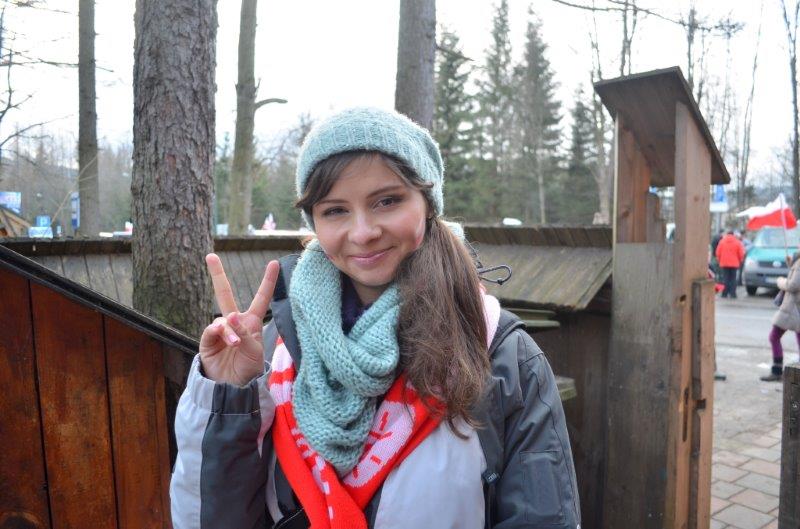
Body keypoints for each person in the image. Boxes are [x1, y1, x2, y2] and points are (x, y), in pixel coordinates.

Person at [169, 107, 581, 529]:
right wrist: (228, 395)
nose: (363, 232)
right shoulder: (279, 352)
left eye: (387, 201)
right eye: (335, 210)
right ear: (314, 222)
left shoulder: (504, 358)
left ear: (428, 203)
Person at [762, 253, 800, 381]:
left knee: (774, 337)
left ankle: (777, 371)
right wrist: (792, 264)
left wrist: (781, 282)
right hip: (795, 308)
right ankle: (779, 371)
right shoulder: (798, 261)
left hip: (792, 307)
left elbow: (793, 285)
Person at [716, 229, 746, 298]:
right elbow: (741, 254)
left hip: (724, 263)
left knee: (725, 278)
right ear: (733, 235)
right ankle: (733, 294)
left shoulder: (722, 241)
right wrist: (740, 260)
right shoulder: (737, 242)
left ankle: (724, 293)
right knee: (733, 279)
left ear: (727, 234)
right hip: (734, 264)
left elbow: (718, 253)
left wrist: (720, 260)